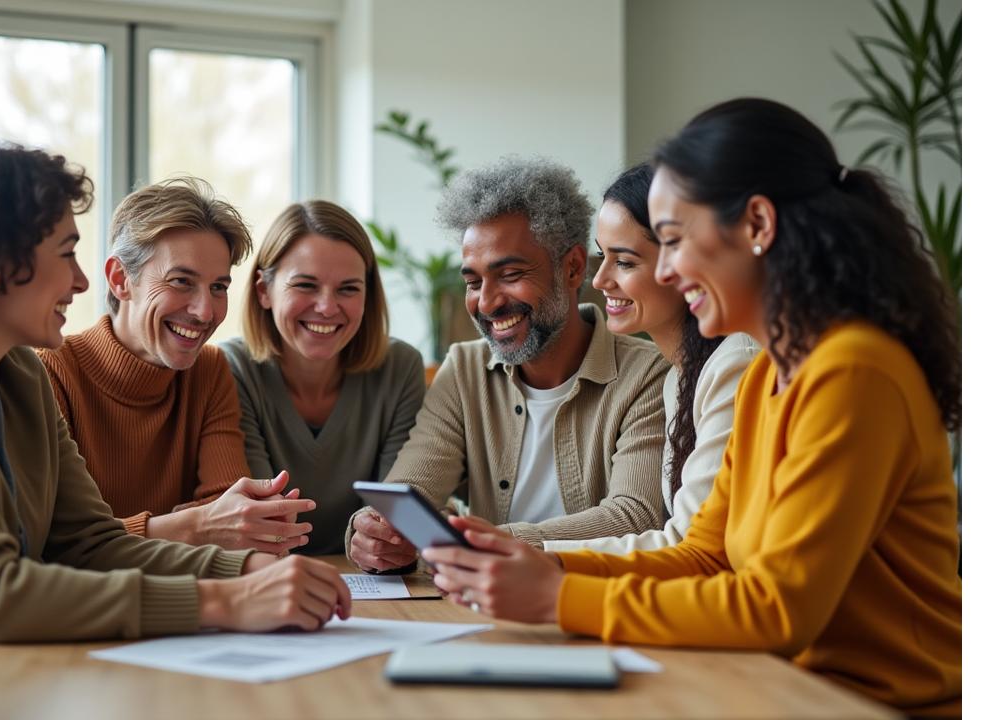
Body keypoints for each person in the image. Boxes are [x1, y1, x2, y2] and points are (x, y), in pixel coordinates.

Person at [422, 99, 961, 715]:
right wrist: (542, 563)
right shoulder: (768, 375)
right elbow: (705, 555)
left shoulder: (853, 371)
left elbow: (776, 609)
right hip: (786, 690)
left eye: (673, 242)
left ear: (758, 225)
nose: (669, 271)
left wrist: (554, 598)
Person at [0, 141, 351, 698]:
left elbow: (90, 544)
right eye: (66, 252)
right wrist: (225, 601)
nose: (80, 281)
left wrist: (244, 568)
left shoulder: (16, 373)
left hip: (4, 684)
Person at [347, 156, 671, 573]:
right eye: (472, 281)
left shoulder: (648, 375)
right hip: (481, 604)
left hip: (587, 603)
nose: (486, 302)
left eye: (511, 273)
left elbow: (634, 518)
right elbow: (410, 490)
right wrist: (374, 531)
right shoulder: (464, 370)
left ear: (572, 268)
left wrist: (491, 541)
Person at [38, 177, 314, 555]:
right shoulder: (50, 372)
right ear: (120, 279)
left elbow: (231, 519)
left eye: (219, 287)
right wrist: (195, 524)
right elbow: (53, 541)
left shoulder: (209, 370)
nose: (205, 312)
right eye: (181, 281)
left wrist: (145, 530)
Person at [545, 163, 759, 554]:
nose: (599, 280)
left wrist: (535, 553)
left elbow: (690, 545)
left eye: (624, 262)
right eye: (602, 256)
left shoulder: (736, 364)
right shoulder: (679, 377)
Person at [220, 200, 426, 555]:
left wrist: (387, 542)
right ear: (263, 291)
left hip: (373, 582)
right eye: (305, 285)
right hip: (269, 579)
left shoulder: (400, 367)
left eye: (348, 288)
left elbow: (396, 514)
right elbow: (263, 524)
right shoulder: (231, 367)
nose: (327, 307)